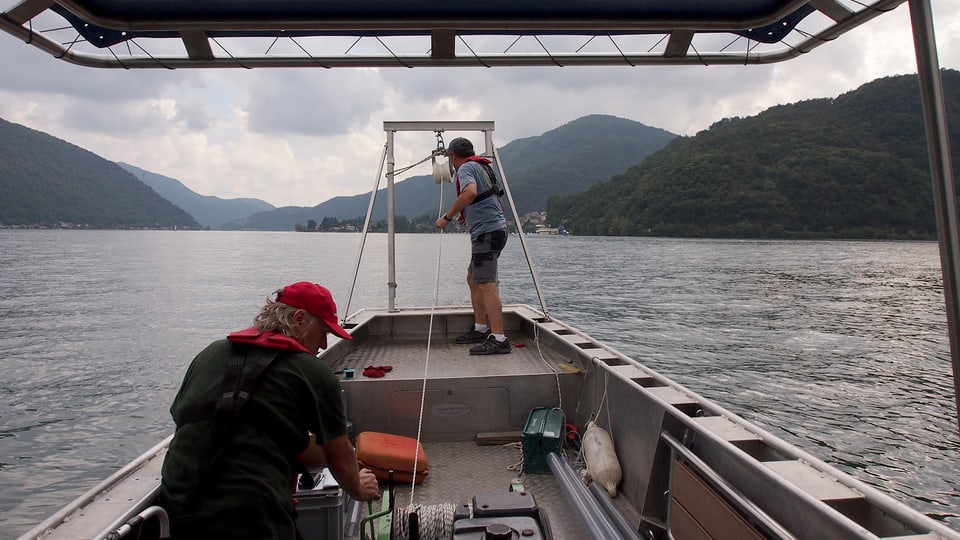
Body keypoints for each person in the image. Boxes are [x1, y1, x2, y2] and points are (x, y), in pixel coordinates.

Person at [159, 281, 380, 539]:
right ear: (299, 319)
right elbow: (339, 459)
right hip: (255, 520)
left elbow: (193, 423)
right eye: (323, 332)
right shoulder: (313, 372)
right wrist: (359, 488)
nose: (322, 345)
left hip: (178, 512)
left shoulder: (209, 354)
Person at [436, 137, 512, 355]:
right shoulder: (483, 168)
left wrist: (447, 217)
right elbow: (499, 203)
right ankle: (481, 328)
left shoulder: (465, 168)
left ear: (452, 156)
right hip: (494, 230)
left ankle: (498, 338)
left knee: (487, 284)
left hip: (486, 233)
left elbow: (469, 192)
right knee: (473, 279)